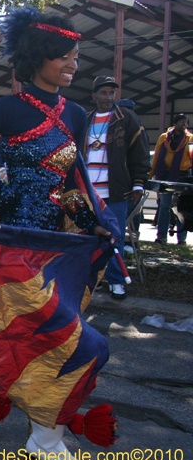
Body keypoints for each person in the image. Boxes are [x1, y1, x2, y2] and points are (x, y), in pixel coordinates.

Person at [0, 7, 118, 460]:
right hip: (15, 249)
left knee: (43, 342)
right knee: (81, 343)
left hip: (58, 251)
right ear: (39, 57)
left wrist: (93, 221)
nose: (74, 64)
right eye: (65, 56)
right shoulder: (6, 108)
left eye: (76, 57)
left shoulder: (75, 113)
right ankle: (27, 425)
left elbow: (72, 185)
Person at [83, 76, 150, 299]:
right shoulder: (85, 120)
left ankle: (116, 281)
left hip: (116, 191)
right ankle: (90, 279)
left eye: (112, 93)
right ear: (94, 95)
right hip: (88, 192)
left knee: (115, 237)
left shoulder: (127, 118)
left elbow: (140, 154)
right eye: (104, 93)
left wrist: (139, 183)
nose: (108, 97)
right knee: (88, 236)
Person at [150, 113, 192, 245]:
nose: (184, 124)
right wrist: (150, 175)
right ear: (175, 123)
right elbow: (156, 157)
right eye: (182, 121)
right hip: (165, 175)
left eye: (186, 122)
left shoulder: (190, 139)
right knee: (164, 206)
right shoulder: (164, 138)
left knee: (181, 206)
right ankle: (161, 237)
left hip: (182, 175)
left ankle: (182, 238)